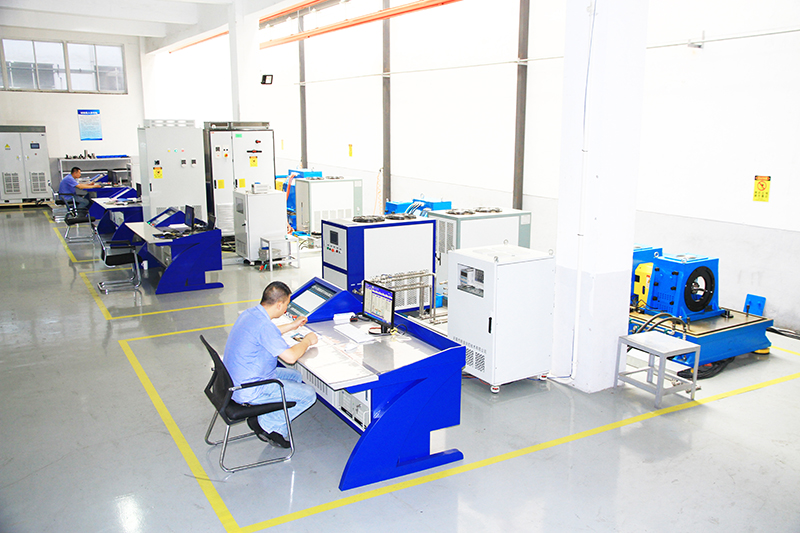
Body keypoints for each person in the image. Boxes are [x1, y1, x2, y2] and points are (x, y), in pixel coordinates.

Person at [223, 281, 318, 448]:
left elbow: (269, 332)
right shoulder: (263, 326)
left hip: (236, 379)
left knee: (295, 376)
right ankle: (268, 425)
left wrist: (293, 325)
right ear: (279, 304)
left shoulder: (251, 314)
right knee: (309, 395)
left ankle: (266, 415)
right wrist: (307, 341)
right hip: (249, 388)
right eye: (286, 305)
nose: (286, 309)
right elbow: (290, 357)